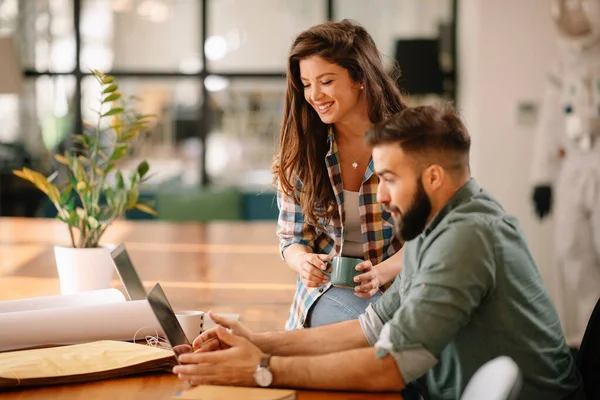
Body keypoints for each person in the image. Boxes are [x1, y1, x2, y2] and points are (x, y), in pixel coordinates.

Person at [173, 105, 584, 399]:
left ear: (434, 177)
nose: (381, 195)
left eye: (388, 178)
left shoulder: (467, 237)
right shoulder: (439, 226)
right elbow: (367, 330)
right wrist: (258, 343)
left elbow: (390, 367)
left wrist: (261, 371)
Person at [272, 19, 406, 330]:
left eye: (326, 81)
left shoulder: (408, 143)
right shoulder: (304, 152)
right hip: (329, 294)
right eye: (306, 84)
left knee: (397, 338)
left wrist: (382, 273)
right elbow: (292, 239)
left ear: (359, 77)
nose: (314, 95)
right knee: (386, 335)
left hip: (398, 291)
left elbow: (430, 239)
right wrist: (303, 262)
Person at [530, 0, 600, 348]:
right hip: (573, 166)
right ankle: (590, 339)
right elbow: (548, 125)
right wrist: (542, 178)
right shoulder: (560, 67)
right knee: (572, 250)